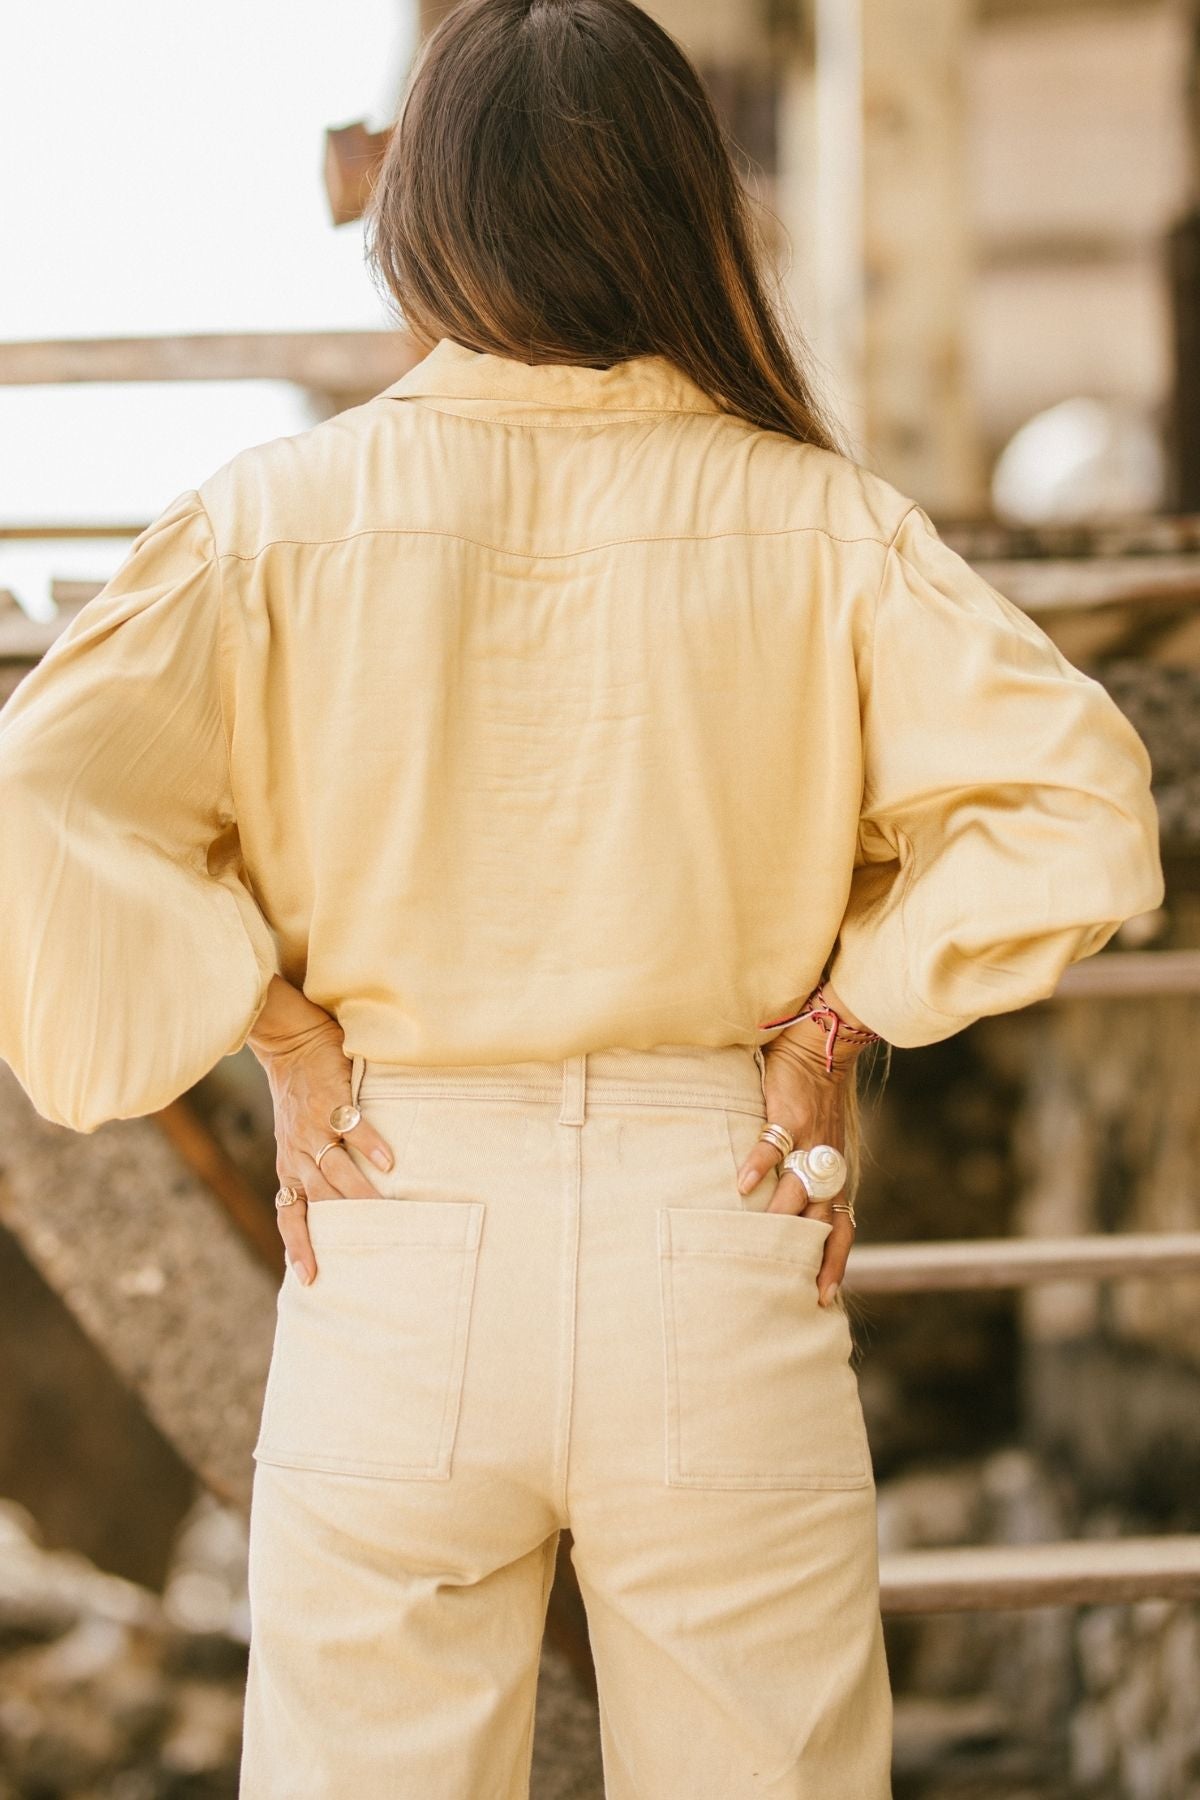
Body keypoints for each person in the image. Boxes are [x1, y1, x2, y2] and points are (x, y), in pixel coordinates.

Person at [0, 0, 1164, 1794]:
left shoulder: (271, 523)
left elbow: (39, 798)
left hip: (390, 1220)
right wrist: (840, 1016)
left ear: (425, 217)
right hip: (724, 1220)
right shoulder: (824, 524)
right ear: (684, 210)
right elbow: (1078, 808)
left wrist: (281, 1030)